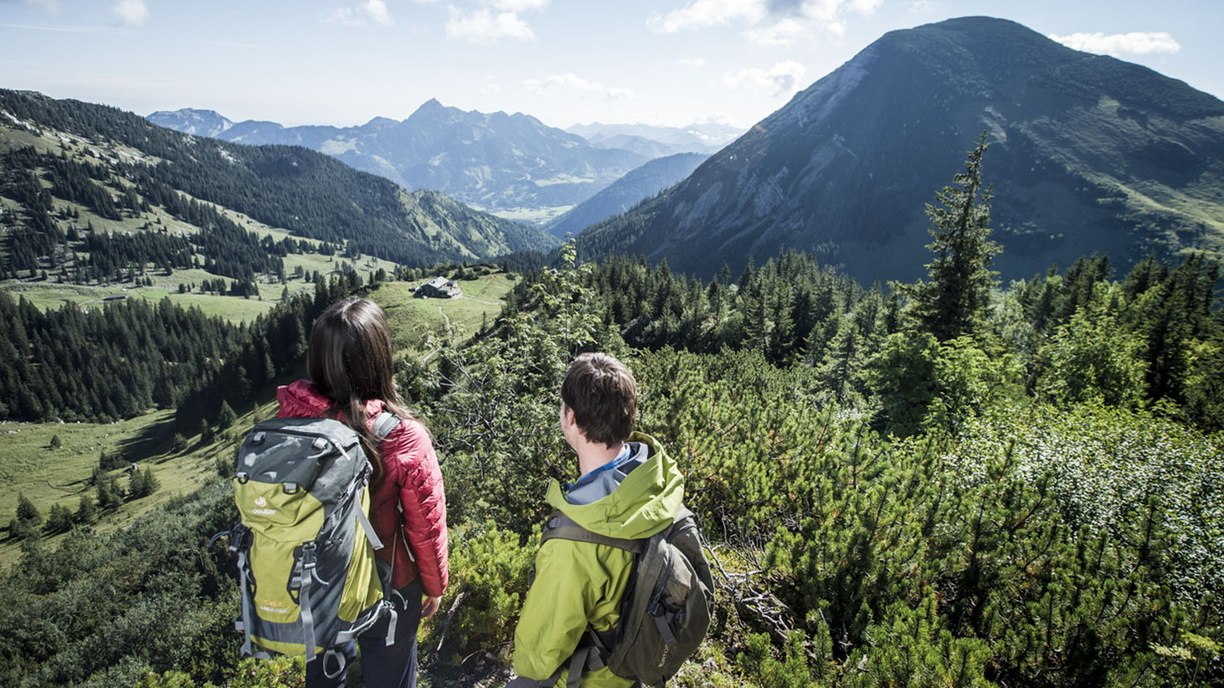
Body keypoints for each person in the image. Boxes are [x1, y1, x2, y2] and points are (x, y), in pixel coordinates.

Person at [277, 296, 449, 688]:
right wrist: (435, 586)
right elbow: (426, 524)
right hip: (391, 583)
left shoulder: (290, 422)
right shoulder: (402, 437)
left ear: (318, 359)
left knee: (324, 677)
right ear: (378, 358)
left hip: (317, 583)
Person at [508, 353, 685, 688]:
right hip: (636, 667)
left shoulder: (575, 539)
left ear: (570, 417)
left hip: (591, 678)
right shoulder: (658, 478)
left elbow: (540, 654)